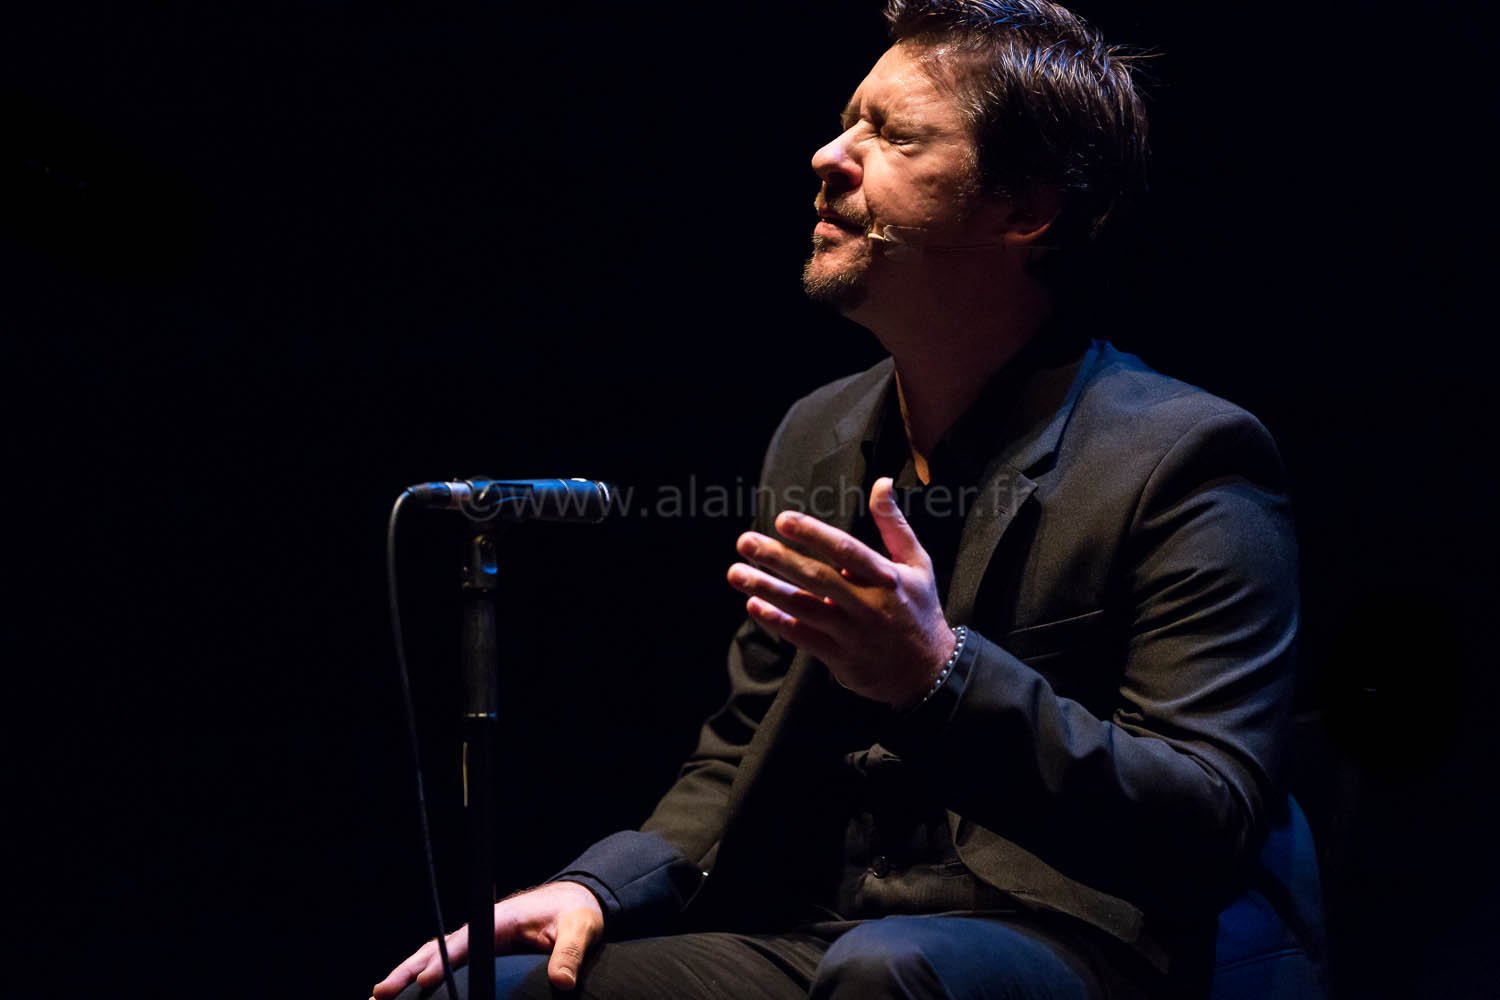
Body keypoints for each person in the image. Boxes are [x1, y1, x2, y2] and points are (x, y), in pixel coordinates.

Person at [374, 1, 1299, 997]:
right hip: (831, 931)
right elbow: (741, 745)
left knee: (883, 972)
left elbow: (1209, 820)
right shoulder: (818, 434)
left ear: (1026, 209)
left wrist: (938, 678)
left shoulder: (1184, 456)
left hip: (1086, 942)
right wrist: (601, 885)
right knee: (480, 989)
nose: (828, 155)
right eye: (847, 121)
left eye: (894, 136)